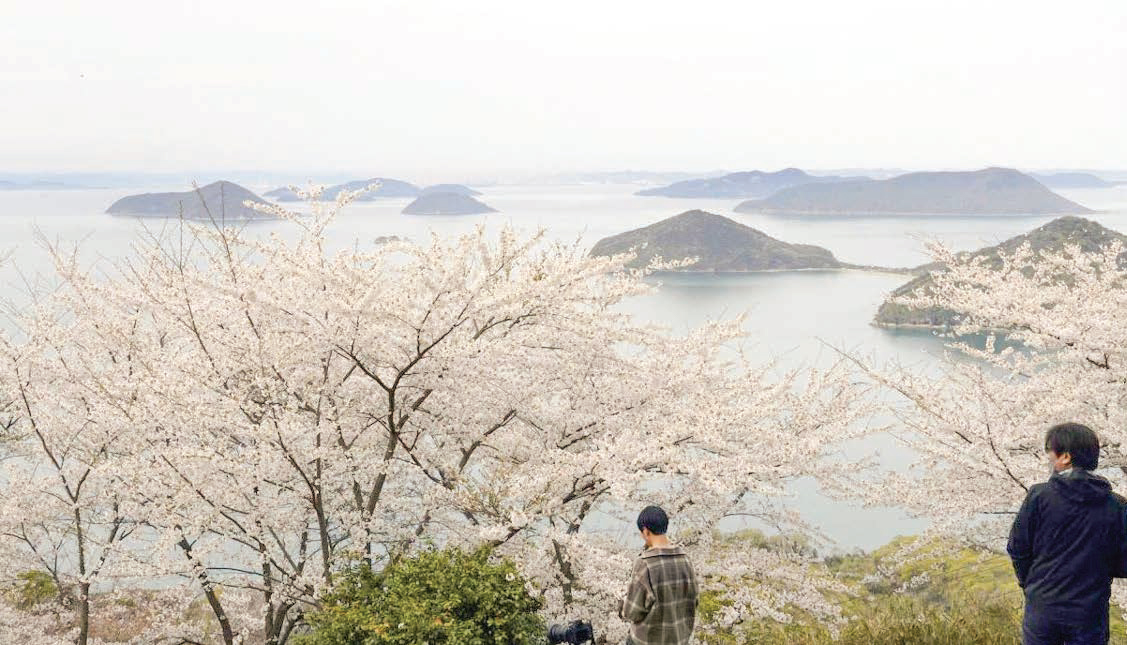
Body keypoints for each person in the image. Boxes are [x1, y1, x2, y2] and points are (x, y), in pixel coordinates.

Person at [1007, 422, 1127, 645]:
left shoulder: (1040, 496)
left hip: (1043, 607)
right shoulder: (1116, 504)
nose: (1048, 456)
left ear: (1065, 457)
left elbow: (1017, 548)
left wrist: (1032, 585)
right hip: (1090, 610)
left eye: (1050, 450)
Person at [619, 505, 699, 645]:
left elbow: (632, 612)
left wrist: (622, 604)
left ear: (645, 531)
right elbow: (694, 600)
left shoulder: (645, 563)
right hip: (679, 639)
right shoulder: (685, 559)